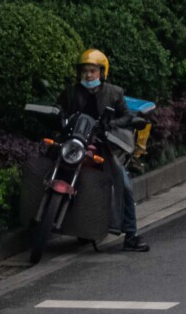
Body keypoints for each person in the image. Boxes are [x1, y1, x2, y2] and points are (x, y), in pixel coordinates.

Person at [57, 49, 148, 252]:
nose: (88, 75)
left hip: (103, 144)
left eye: (93, 71)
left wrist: (111, 124)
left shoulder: (114, 93)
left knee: (123, 183)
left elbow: (126, 116)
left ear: (102, 72)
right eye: (85, 71)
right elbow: (60, 110)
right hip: (75, 141)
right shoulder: (71, 93)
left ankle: (131, 235)